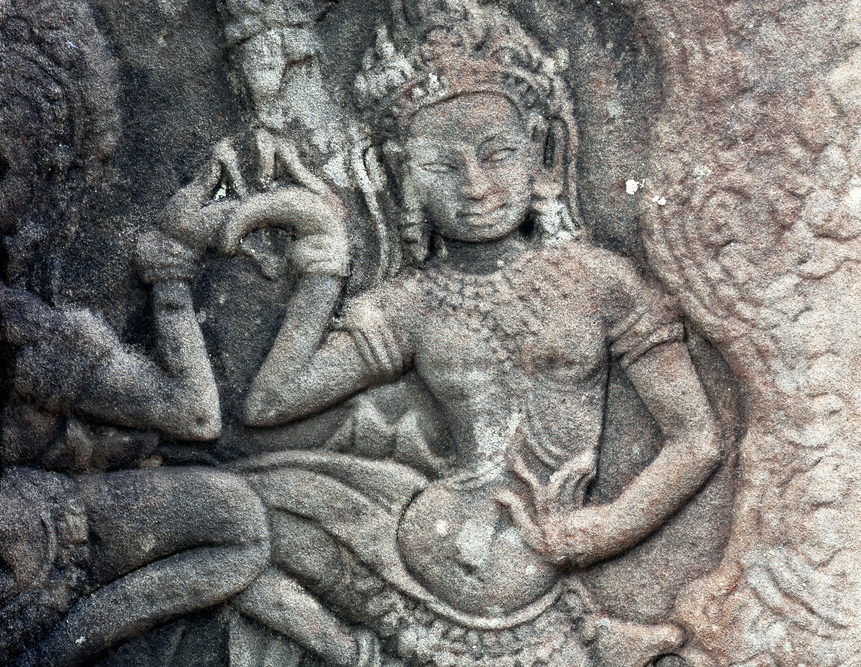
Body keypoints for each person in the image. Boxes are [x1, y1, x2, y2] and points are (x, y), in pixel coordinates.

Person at [195, 1, 724, 664]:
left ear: (541, 150)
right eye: (442, 166)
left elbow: (697, 436)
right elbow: (269, 404)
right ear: (399, 174)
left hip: (531, 562)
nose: (475, 186)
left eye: (497, 154)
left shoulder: (599, 281)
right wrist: (324, 268)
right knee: (223, 507)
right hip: (410, 550)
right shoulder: (413, 302)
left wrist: (599, 530)